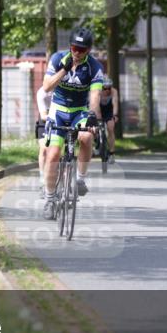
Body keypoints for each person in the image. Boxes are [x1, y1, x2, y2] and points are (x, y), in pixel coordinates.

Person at [41, 27, 104, 220]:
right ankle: (50, 199)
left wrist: (92, 115)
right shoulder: (57, 59)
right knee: (53, 154)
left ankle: (80, 179)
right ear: (70, 46)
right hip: (58, 110)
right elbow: (46, 87)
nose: (77, 52)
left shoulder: (94, 67)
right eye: (74, 48)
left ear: (89, 50)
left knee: (86, 137)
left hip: (79, 111)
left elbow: (95, 95)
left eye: (81, 50)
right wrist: (64, 69)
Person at [35, 84, 53, 198]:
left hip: (61, 117)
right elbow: (43, 116)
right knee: (44, 149)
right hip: (45, 119)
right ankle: (42, 179)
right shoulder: (42, 92)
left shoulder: (63, 89)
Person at [98, 78, 119, 161]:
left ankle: (111, 152)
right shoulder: (98, 91)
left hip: (109, 110)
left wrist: (115, 115)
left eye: (109, 88)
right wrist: (98, 116)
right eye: (105, 88)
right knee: (94, 126)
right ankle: (97, 142)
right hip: (99, 109)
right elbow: (95, 105)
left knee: (111, 128)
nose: (107, 90)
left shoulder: (114, 91)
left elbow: (115, 103)